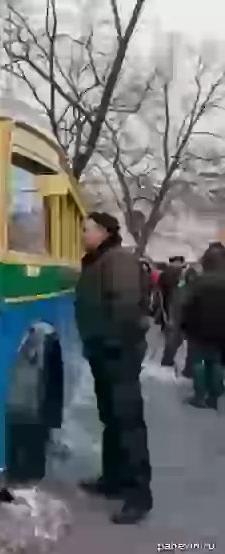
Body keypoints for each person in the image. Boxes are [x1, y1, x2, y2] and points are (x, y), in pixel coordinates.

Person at [74, 212, 152, 525]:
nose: (82, 234)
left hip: (118, 355)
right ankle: (113, 479)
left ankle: (138, 497)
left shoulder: (118, 260)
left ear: (105, 231)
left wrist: (112, 345)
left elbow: (126, 307)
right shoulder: (99, 259)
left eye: (87, 229)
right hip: (104, 353)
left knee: (128, 423)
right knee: (112, 420)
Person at [180, 242, 225, 410]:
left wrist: (184, 325)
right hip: (221, 330)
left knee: (198, 361)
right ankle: (214, 397)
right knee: (216, 361)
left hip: (199, 328)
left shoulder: (198, 281)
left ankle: (199, 396)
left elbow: (187, 305)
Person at [159, 256, 197, 373]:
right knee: (189, 340)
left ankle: (167, 360)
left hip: (174, 307)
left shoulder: (165, 274)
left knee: (176, 337)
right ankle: (188, 368)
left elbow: (161, 292)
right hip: (185, 308)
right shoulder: (190, 275)